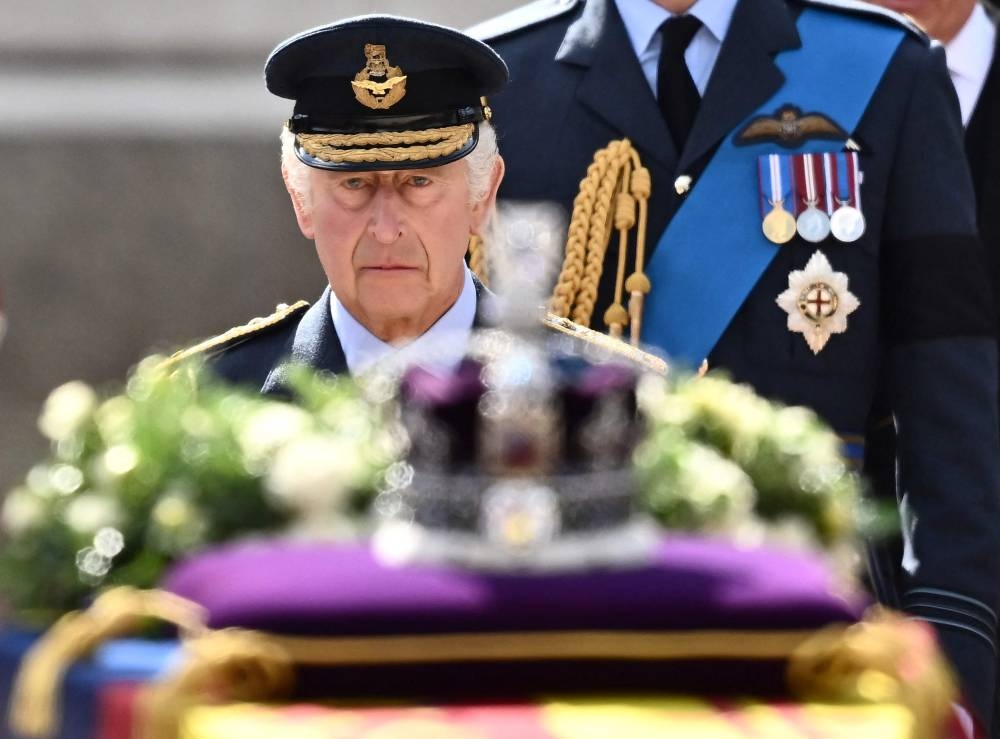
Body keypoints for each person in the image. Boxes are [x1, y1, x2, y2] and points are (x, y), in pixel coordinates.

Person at [471, 0, 1000, 731]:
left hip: (819, 640)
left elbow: (951, 415)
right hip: (566, 622)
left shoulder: (885, 69)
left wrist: (958, 668)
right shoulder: (493, 82)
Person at [169, 16, 508, 387]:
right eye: (355, 184)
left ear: (482, 197)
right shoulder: (209, 395)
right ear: (301, 200)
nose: (385, 230)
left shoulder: (572, 392)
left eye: (418, 181)